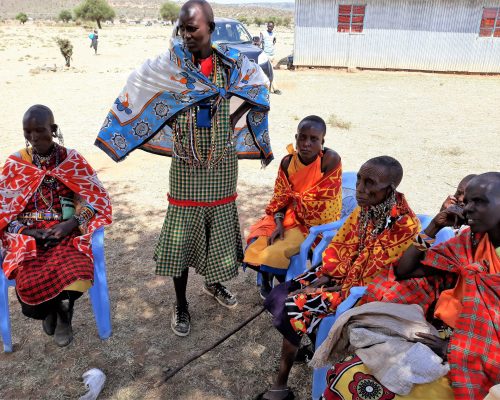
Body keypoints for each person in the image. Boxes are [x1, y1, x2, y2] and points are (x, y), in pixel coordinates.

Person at [94, 0, 271, 337]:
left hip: (222, 165)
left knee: (217, 229)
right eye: (182, 28)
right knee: (182, 235)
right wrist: (166, 117)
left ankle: (214, 284)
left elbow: (258, 86)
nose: (186, 34)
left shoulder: (231, 65)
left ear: (210, 29)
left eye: (193, 28)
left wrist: (232, 119)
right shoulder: (168, 66)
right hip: (185, 166)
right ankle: (181, 303)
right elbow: (138, 83)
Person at [258, 156, 420, 400]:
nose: (360, 189)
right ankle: (305, 340)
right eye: (359, 180)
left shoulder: (405, 226)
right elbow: (343, 242)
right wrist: (325, 276)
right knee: (285, 290)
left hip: (362, 291)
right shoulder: (367, 206)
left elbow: (374, 271)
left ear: (390, 189)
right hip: (339, 274)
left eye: (370, 183)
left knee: (294, 306)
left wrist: (329, 282)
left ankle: (280, 386)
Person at [350, 172, 500, 400]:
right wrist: (433, 228)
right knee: (351, 370)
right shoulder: (471, 241)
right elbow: (405, 270)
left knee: (373, 389)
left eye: (479, 201)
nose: (468, 208)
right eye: (466, 201)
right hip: (441, 333)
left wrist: (451, 348)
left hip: (478, 356)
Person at [0, 105, 112, 347]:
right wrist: (29, 231)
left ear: (53, 129)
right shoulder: (16, 164)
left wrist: (69, 224)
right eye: (27, 132)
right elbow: (4, 212)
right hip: (28, 237)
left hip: (66, 231)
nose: (33, 138)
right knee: (28, 280)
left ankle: (63, 314)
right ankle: (51, 310)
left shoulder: (72, 161)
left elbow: (97, 199)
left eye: (40, 130)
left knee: (78, 267)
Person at [244, 115, 342, 298]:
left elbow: (327, 202)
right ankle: (266, 277)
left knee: (275, 251)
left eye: (314, 139)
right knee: (256, 241)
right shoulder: (288, 162)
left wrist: (298, 203)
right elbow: (281, 197)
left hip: (312, 224)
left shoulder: (329, 160)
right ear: (296, 139)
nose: (306, 144)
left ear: (322, 142)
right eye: (302, 137)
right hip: (287, 215)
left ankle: (283, 284)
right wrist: (279, 222)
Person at [260, 21, 281, 95]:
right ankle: (275, 89)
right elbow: (260, 42)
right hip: (265, 55)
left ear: (273, 27)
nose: (270, 28)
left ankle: (267, 88)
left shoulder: (274, 34)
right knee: (270, 72)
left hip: (272, 56)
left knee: (267, 72)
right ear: (267, 26)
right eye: (268, 26)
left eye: (271, 26)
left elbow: (274, 41)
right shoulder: (263, 33)